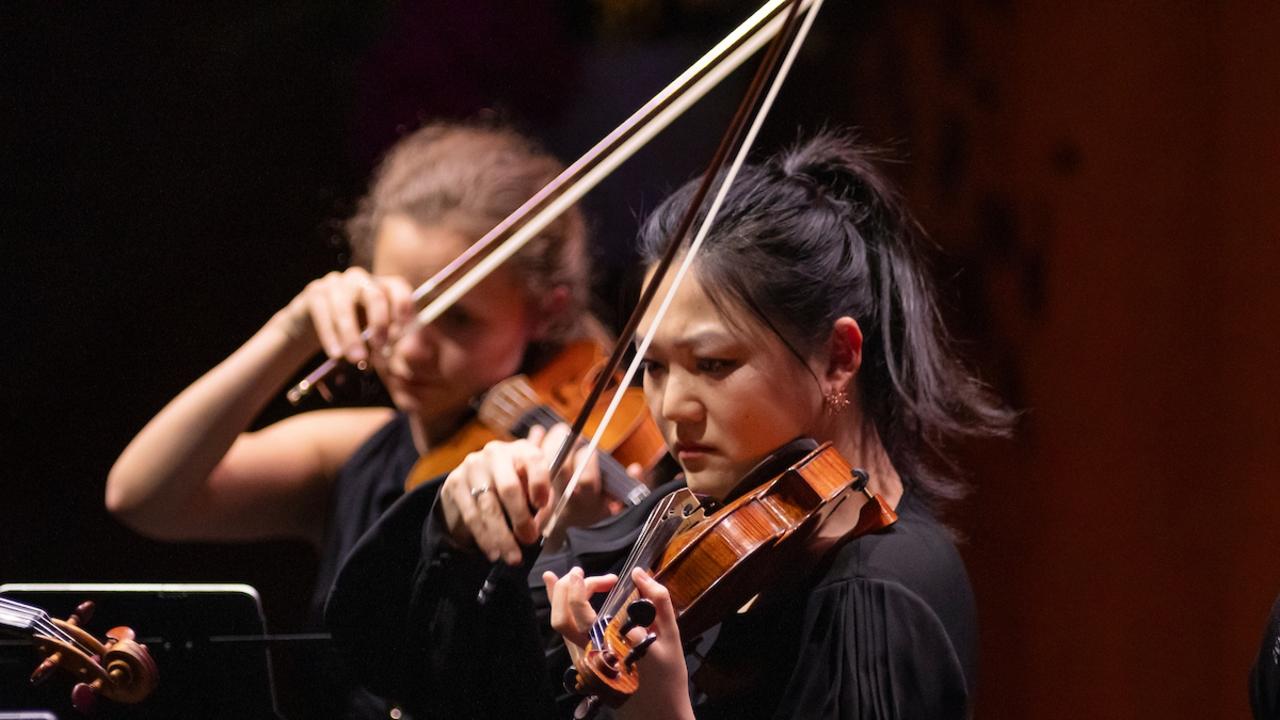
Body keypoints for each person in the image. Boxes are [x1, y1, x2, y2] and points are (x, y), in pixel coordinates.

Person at [325, 130, 1013, 719]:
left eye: (713, 365)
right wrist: (456, 527)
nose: (672, 407)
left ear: (838, 358)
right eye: (651, 366)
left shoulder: (879, 594)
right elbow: (414, 674)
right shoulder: (676, 526)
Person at [105, 121, 603, 718]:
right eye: (402, 306)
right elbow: (142, 496)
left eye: (459, 319)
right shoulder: (351, 452)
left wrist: (586, 532)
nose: (414, 350)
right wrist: (293, 330)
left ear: (545, 313)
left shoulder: (581, 464)